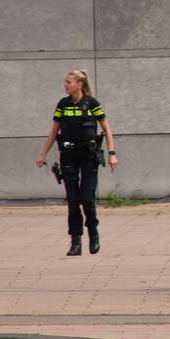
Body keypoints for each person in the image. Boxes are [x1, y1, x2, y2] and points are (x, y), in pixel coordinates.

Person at [36, 69, 118, 257]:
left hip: (89, 156)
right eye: (65, 82)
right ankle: (76, 241)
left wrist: (112, 154)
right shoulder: (62, 105)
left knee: (87, 197)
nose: (65, 85)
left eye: (69, 82)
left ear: (79, 84)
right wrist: (43, 154)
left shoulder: (91, 104)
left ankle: (93, 233)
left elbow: (107, 129)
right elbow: (54, 132)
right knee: (73, 201)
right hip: (68, 155)